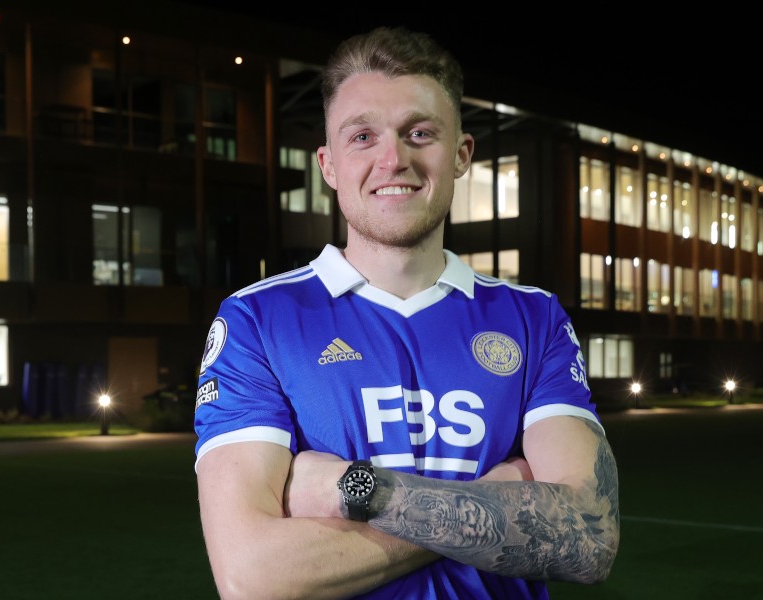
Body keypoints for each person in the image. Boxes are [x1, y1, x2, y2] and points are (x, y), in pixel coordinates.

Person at [193, 26, 619, 600]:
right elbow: (252, 577)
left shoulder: (534, 318)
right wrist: (500, 497)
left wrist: (359, 489)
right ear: (328, 165)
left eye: (420, 133)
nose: (393, 159)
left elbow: (590, 539)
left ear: (461, 154)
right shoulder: (256, 320)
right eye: (362, 136)